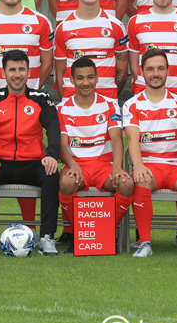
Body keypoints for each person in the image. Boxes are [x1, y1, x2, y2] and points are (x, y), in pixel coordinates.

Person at [123, 49, 177, 258]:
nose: (156, 73)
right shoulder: (131, 104)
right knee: (141, 181)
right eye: (150, 69)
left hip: (176, 169)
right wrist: (140, 166)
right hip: (150, 168)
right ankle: (145, 243)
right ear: (141, 72)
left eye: (161, 68)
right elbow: (132, 139)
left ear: (168, 71)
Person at [0, 49, 61, 256]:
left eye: (21, 69)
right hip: (0, 162)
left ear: (29, 72)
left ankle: (47, 237)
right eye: (12, 69)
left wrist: (51, 155)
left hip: (32, 162)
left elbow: (54, 127)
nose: (17, 74)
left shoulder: (41, 98)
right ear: (3, 73)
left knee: (51, 173)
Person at [57, 57, 134, 253]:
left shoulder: (110, 105)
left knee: (126, 184)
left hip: (103, 166)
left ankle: (104, 232)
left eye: (90, 77)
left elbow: (117, 138)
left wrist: (117, 167)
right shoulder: (62, 108)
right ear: (72, 80)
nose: (86, 82)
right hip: (77, 164)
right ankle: (79, 234)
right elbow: (61, 145)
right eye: (80, 78)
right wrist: (73, 165)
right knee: (66, 183)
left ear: (97, 78)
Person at [54, 0, 128, 102]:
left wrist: (110, 97)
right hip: (72, 103)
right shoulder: (63, 28)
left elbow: (122, 71)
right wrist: (66, 102)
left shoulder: (116, 26)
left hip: (108, 102)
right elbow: (59, 74)